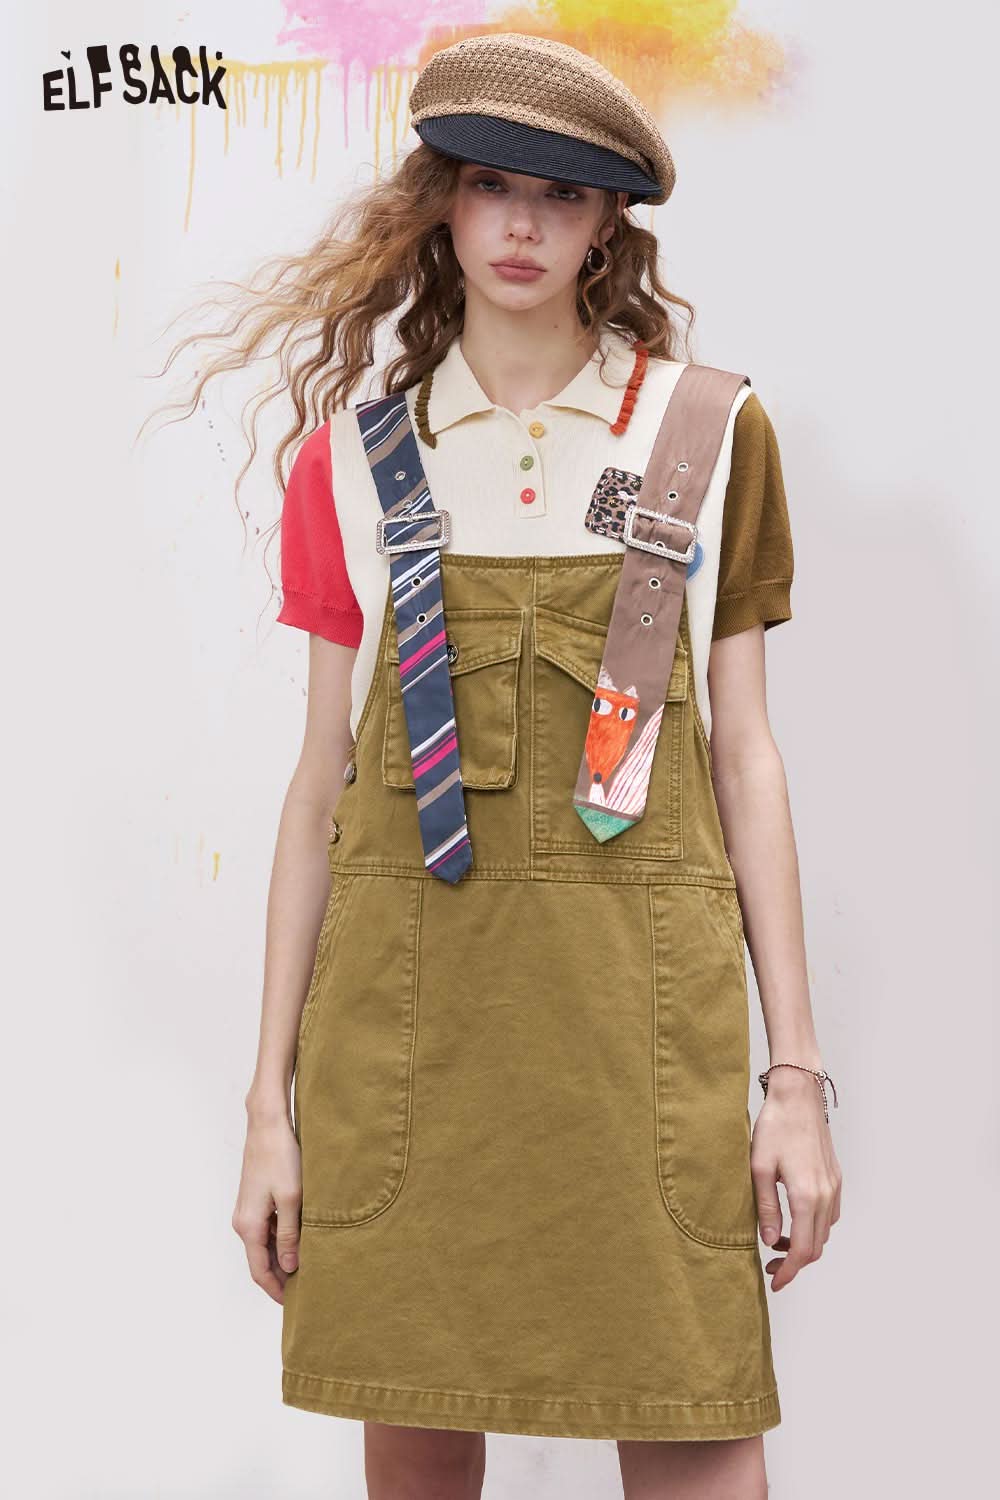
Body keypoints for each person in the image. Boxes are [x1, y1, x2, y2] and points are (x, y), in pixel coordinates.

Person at [212, 31, 842, 1500]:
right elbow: (320, 788)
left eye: (562, 195)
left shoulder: (705, 432)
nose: (521, 226)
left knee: (698, 1435)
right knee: (418, 1436)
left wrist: (796, 1080)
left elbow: (746, 759)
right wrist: (267, 1108)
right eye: (492, 184)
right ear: (441, 200)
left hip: (646, 1039)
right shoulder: (355, 458)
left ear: (610, 221)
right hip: (408, 1043)